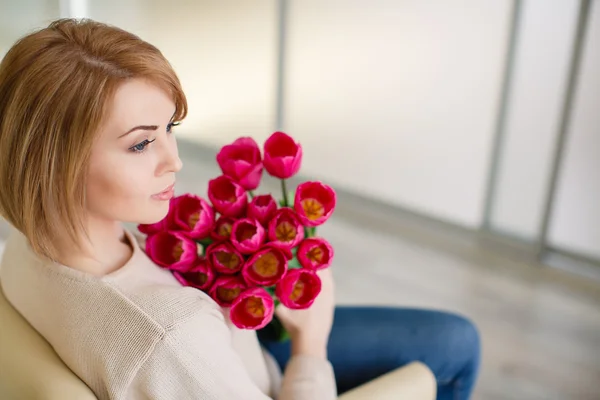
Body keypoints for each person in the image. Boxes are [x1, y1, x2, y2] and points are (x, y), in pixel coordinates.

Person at [0, 19, 480, 399]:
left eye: (171, 127)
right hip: (263, 373)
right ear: (54, 164)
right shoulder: (169, 339)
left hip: (233, 342)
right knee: (459, 345)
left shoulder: (24, 244)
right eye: (142, 143)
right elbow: (183, 350)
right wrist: (312, 344)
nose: (175, 159)